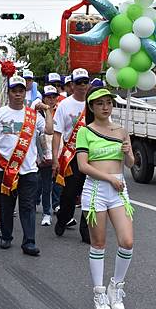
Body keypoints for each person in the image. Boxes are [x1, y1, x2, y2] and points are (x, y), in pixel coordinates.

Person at [76, 87, 135, 309]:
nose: (105, 107)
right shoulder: (85, 132)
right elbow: (83, 166)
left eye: (108, 102)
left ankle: (116, 287)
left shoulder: (121, 130)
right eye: (100, 103)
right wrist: (109, 179)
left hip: (119, 189)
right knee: (98, 243)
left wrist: (129, 152)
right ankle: (99, 293)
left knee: (127, 242)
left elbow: (130, 164)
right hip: (95, 190)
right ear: (91, 107)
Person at [0, 75, 53, 255]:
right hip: (4, 169)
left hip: (28, 169)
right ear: (9, 92)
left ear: (24, 93)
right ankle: (6, 236)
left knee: (27, 206)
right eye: (15, 91)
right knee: (6, 205)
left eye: (21, 91)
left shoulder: (33, 115)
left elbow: (49, 130)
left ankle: (29, 242)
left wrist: (48, 110)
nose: (18, 94)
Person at [52, 68, 91, 243]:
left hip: (92, 155)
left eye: (85, 82)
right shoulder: (64, 105)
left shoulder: (93, 103)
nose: (83, 86)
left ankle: (86, 230)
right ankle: (63, 217)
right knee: (69, 194)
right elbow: (57, 134)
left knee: (90, 193)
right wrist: (55, 159)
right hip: (72, 155)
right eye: (79, 83)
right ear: (72, 85)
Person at [36, 85, 59, 226]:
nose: (51, 100)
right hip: (44, 155)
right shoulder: (38, 114)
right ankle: (46, 213)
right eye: (48, 97)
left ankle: (58, 207)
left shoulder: (61, 110)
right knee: (45, 184)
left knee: (58, 184)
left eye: (53, 97)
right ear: (43, 98)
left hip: (59, 153)